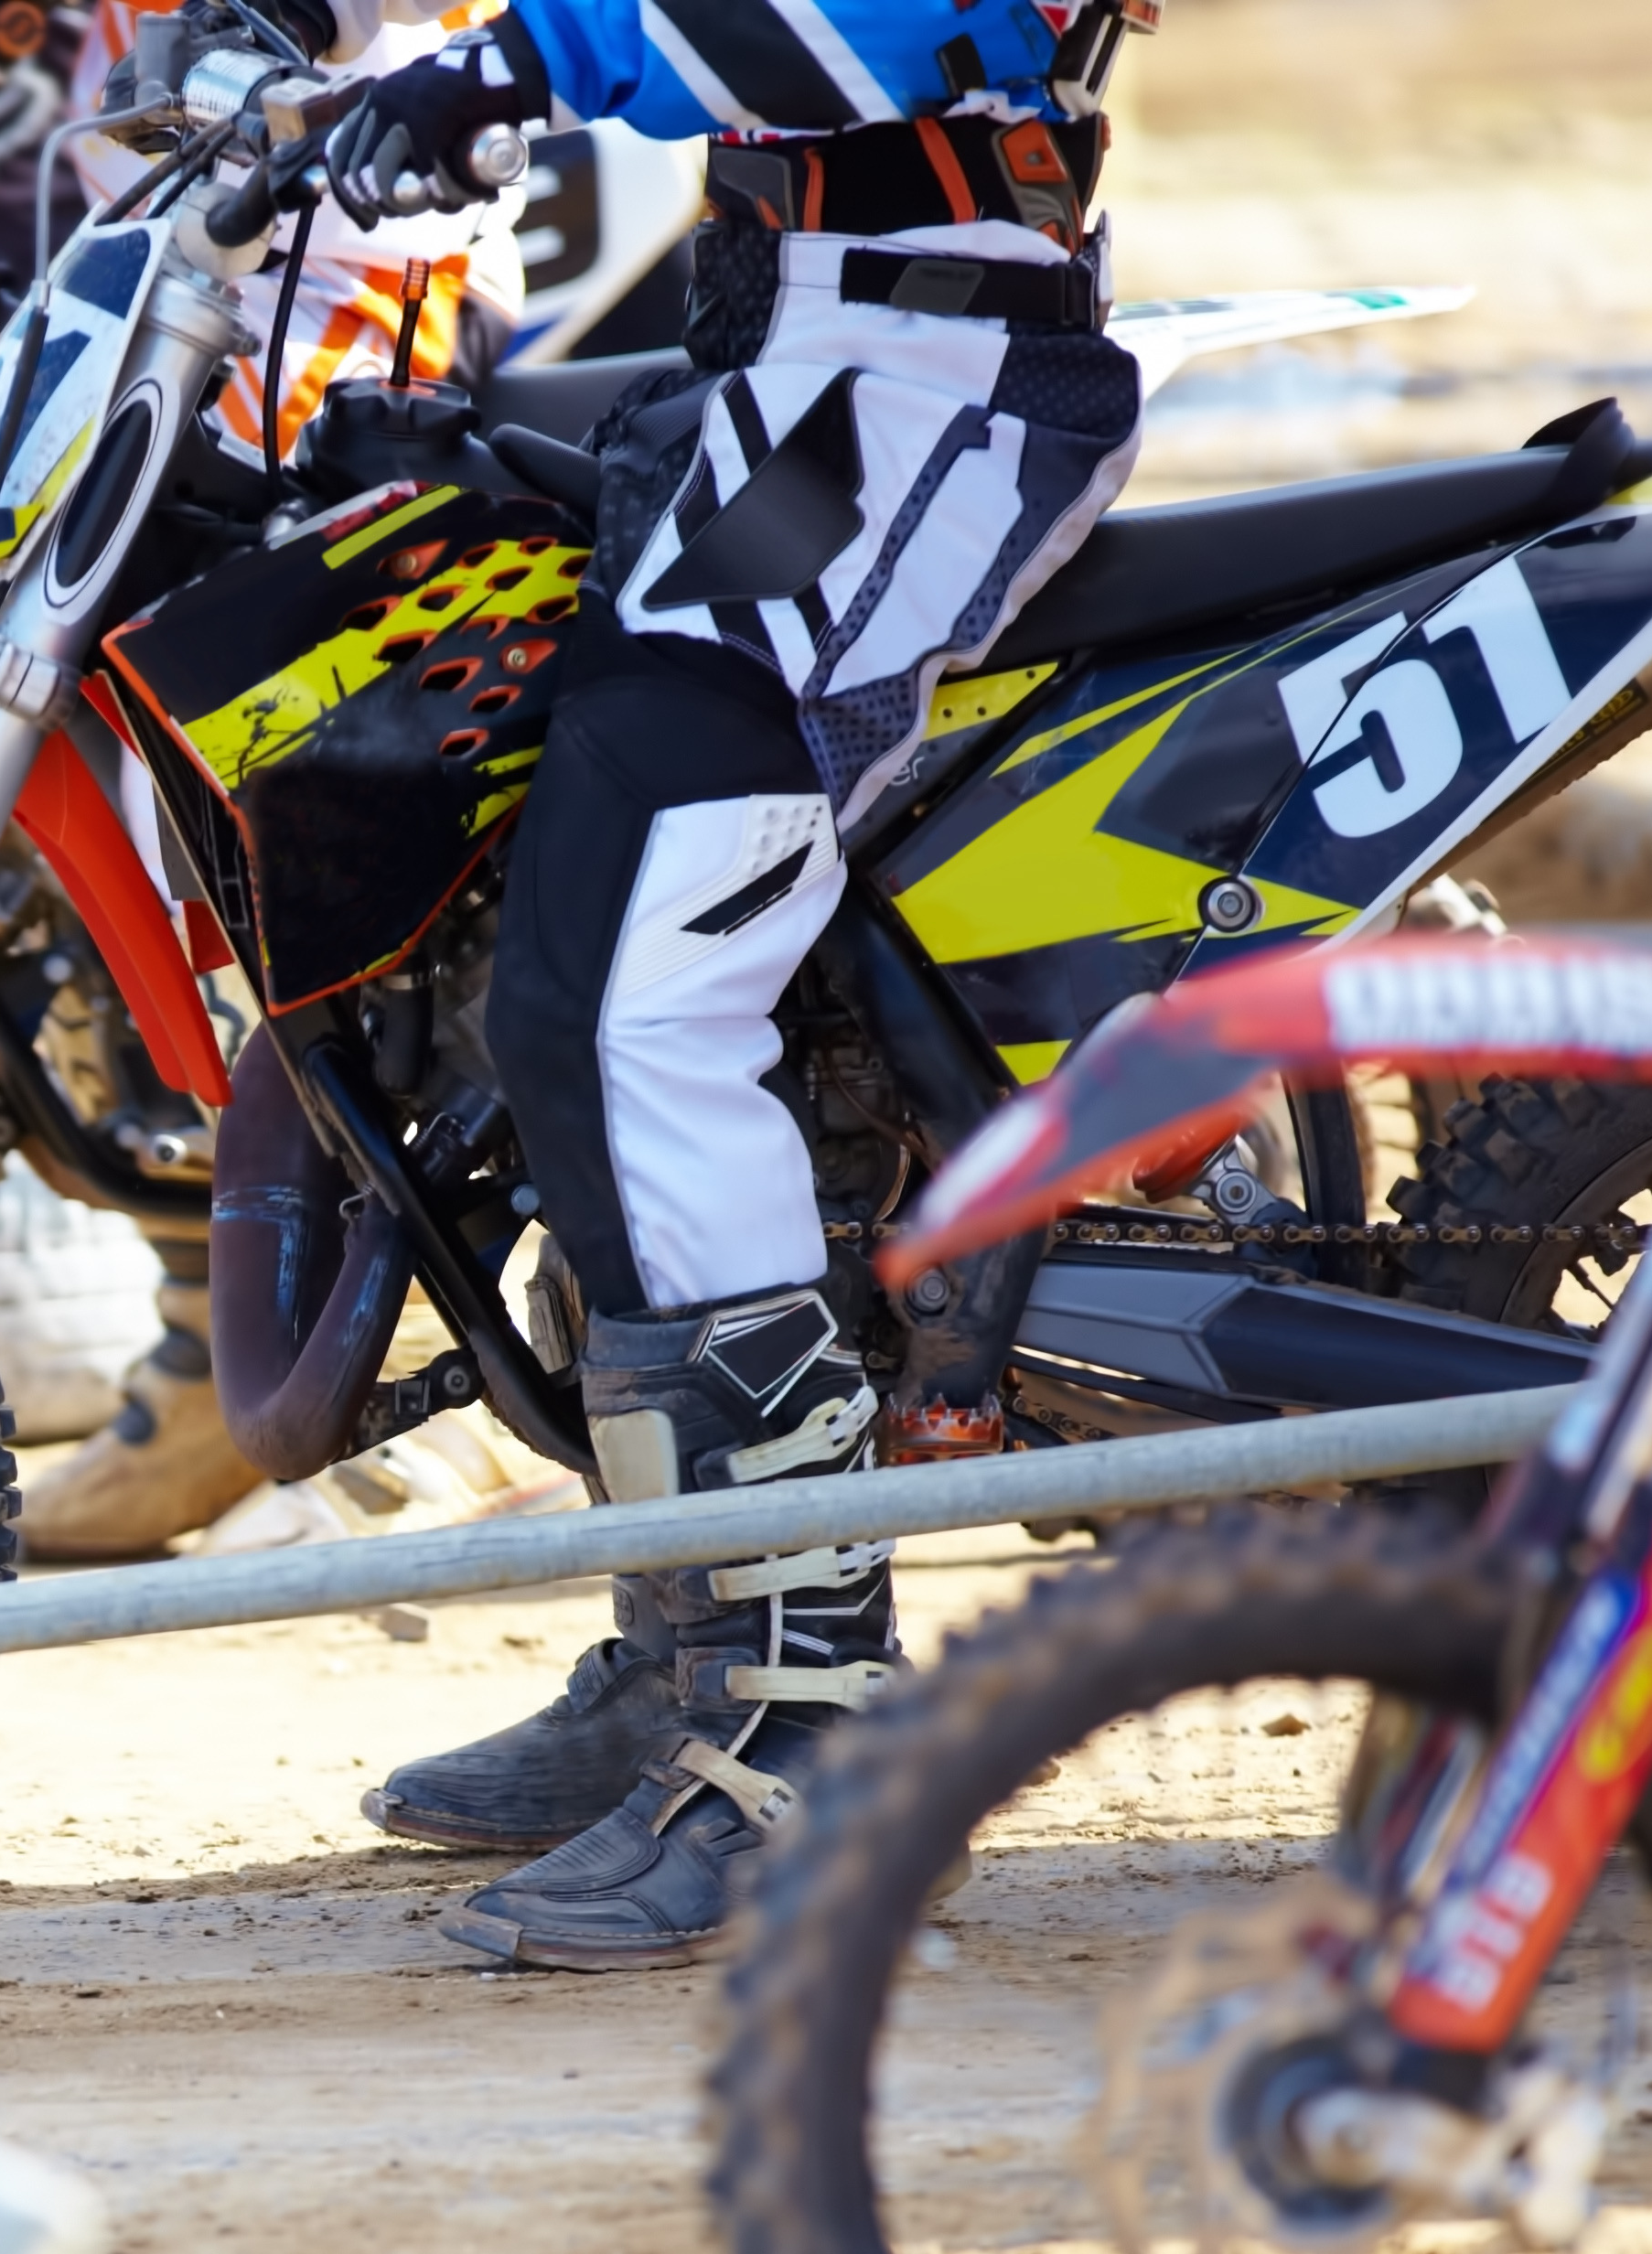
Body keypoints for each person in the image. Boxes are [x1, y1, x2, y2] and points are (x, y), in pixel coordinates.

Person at [312, 0, 1144, 1968]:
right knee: (562, 989)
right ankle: (687, 1642)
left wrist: (521, 66)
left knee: (635, 1002)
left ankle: (809, 1738)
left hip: (919, 387)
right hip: (789, 366)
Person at [0, 0, 533, 1562]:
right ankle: (224, 1321)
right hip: (150, 206)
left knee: (314, 796)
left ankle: (428, 1343)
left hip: (354, 221)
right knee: (62, 723)